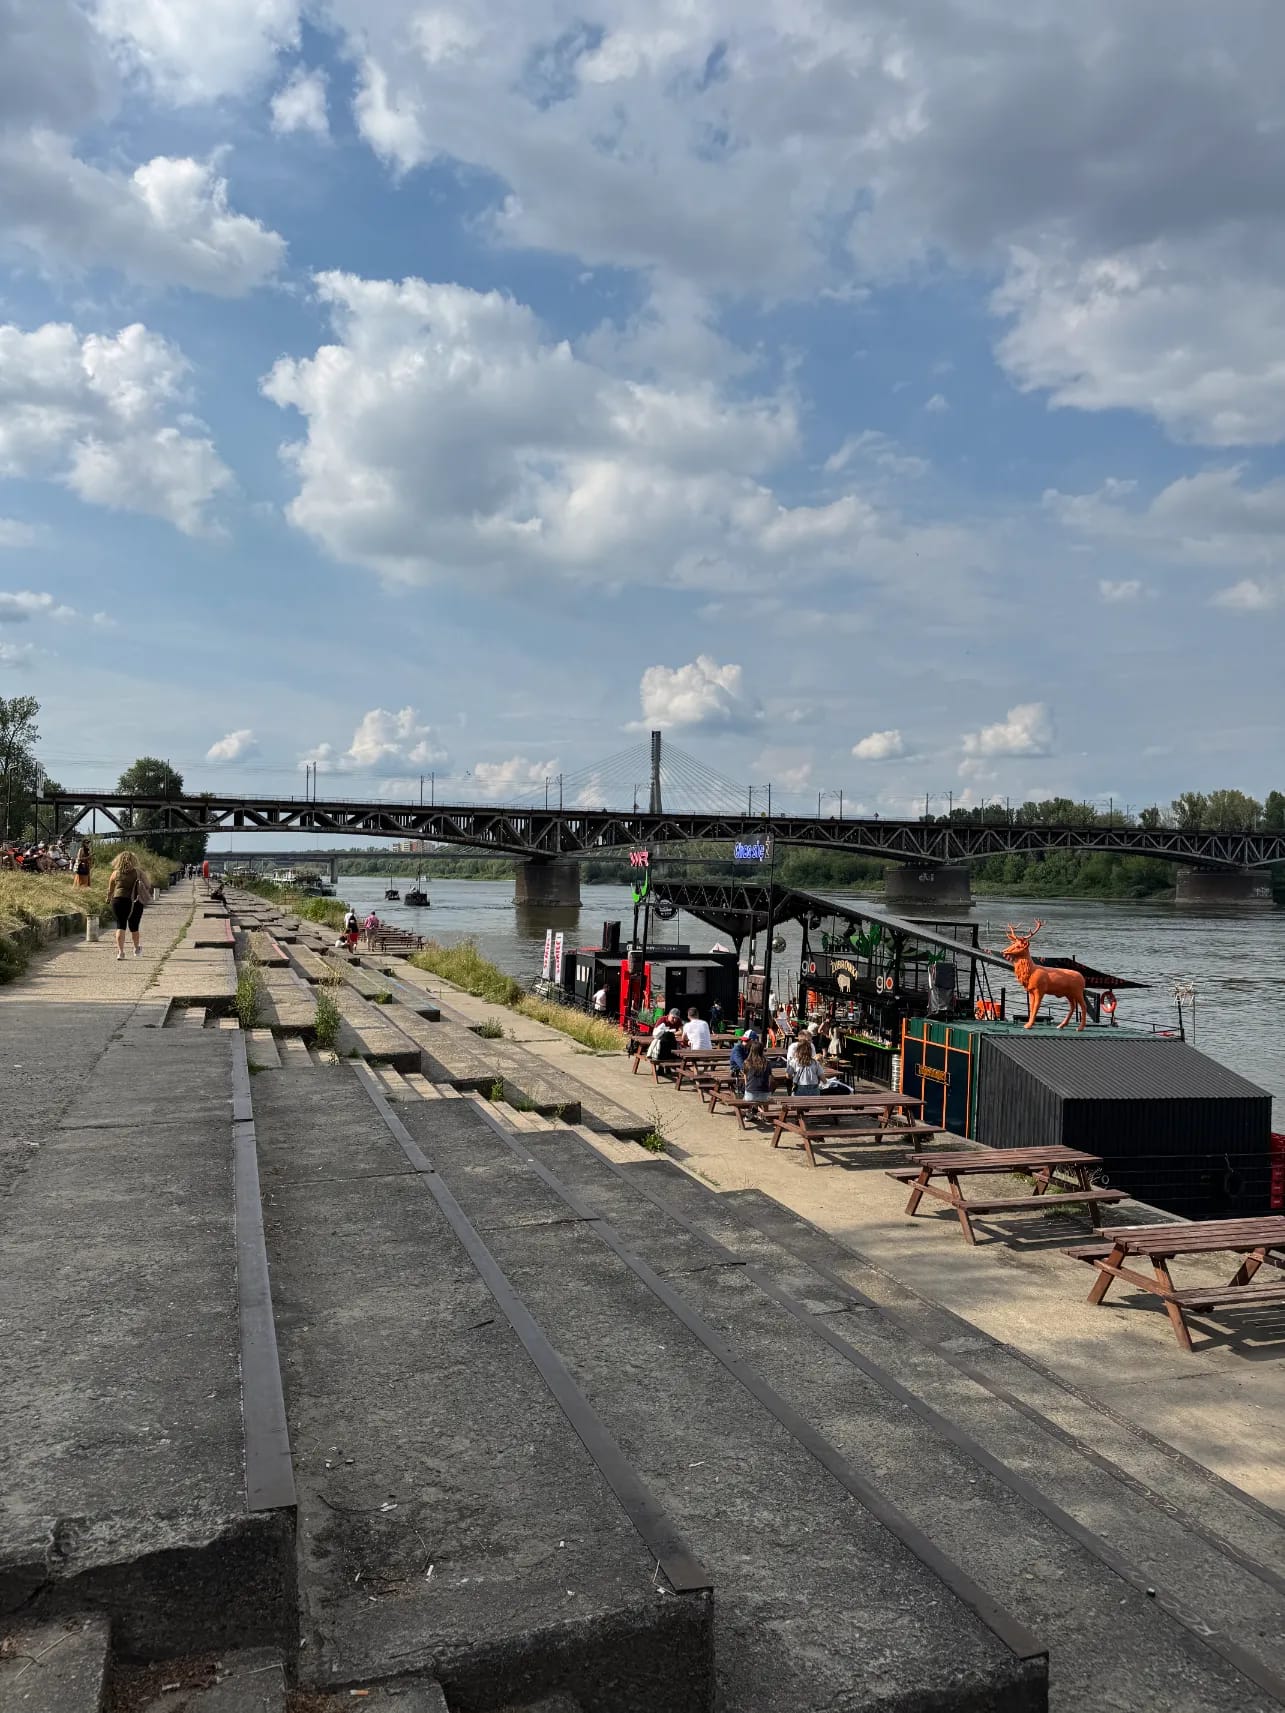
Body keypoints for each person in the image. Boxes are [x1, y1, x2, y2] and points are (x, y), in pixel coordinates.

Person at [106, 850, 152, 960]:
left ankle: (121, 953)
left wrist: (108, 899)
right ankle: (136, 949)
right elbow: (147, 885)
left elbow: (110, 890)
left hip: (117, 901)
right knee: (134, 927)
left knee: (120, 925)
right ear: (134, 860)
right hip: (134, 901)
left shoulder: (115, 873)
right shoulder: (138, 872)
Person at [790, 1031, 821, 1096]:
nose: (811, 1042)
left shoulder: (811, 1045)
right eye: (808, 1040)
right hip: (798, 1077)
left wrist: (818, 1058)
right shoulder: (793, 1047)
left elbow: (813, 1058)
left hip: (809, 1075)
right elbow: (791, 1062)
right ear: (801, 1039)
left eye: (811, 1040)